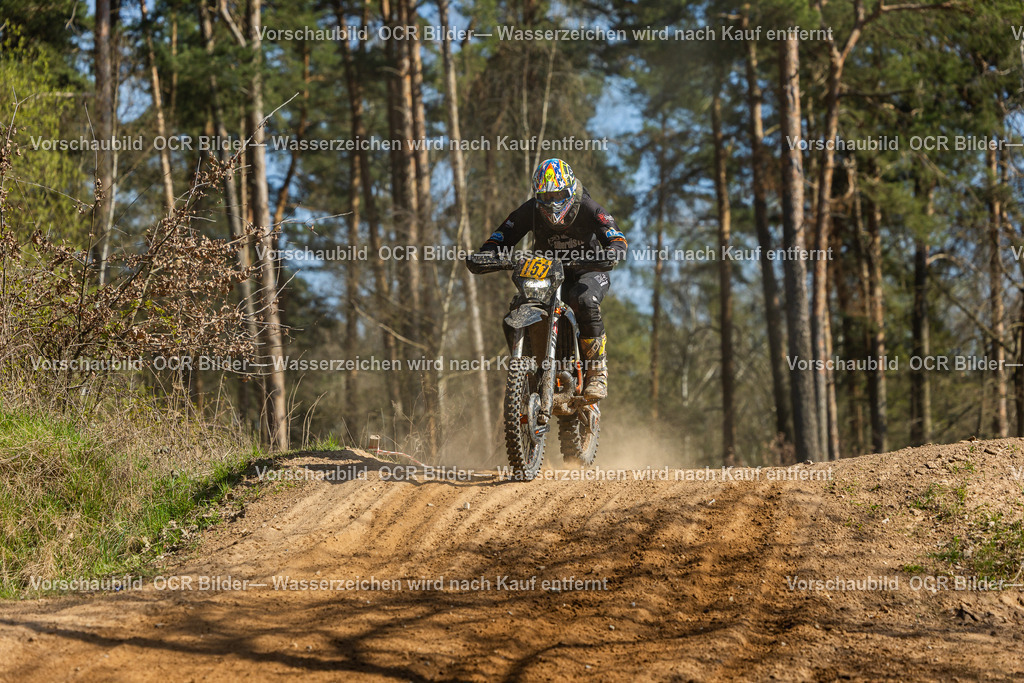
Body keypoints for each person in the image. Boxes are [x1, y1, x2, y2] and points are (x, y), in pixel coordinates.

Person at [468, 158, 627, 401]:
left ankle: (596, 373)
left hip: (589, 270)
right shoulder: (529, 210)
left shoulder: (589, 208)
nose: (552, 203)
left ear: (571, 191)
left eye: (558, 195)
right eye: (546, 197)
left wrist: (613, 251)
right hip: (547, 272)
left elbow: (617, 238)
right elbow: (501, 236)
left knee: (583, 299)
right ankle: (530, 371)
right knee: (516, 310)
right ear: (537, 196)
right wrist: (488, 254)